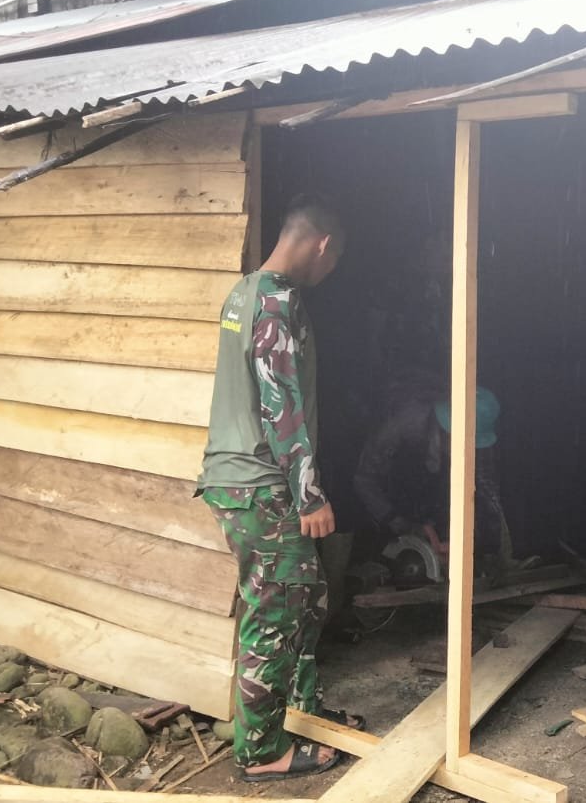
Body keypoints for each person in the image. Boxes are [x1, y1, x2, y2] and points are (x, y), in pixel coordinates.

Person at [195, 194, 366, 781]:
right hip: (260, 485)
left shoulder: (243, 292)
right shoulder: (277, 303)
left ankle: (301, 712)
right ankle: (262, 753)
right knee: (275, 610)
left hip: (239, 479)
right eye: (334, 260)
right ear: (323, 245)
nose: (331, 270)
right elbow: (280, 405)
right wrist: (310, 494)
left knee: (306, 596)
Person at [352, 371, 509, 563]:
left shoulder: (478, 428)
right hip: (390, 500)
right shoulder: (403, 423)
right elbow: (364, 478)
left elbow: (487, 492)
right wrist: (399, 522)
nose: (470, 450)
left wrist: (472, 541)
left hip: (432, 503)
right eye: (466, 443)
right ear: (449, 427)